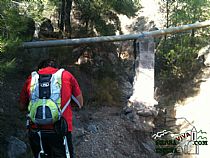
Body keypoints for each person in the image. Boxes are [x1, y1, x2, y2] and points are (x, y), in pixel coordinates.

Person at [19, 59, 83, 158]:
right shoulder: (66, 75)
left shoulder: (32, 78)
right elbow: (80, 103)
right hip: (60, 129)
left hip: (36, 130)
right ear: (57, 68)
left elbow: (22, 106)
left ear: (40, 68)